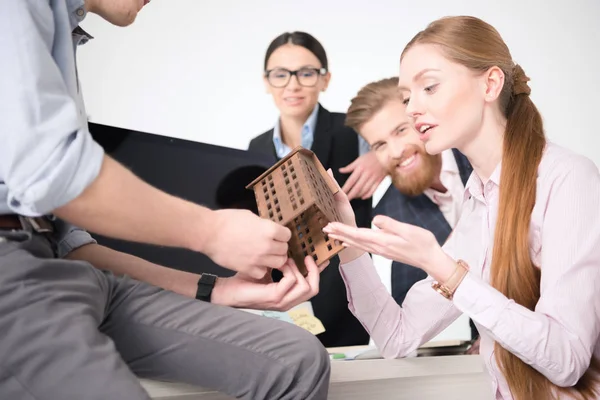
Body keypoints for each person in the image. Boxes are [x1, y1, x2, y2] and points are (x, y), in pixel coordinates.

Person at [0, 1, 330, 399]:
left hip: (72, 268)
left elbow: (72, 246)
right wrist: (212, 232)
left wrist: (218, 289)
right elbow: (54, 174)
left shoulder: (62, 33)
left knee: (297, 361)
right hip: (14, 270)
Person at [324, 15, 600, 400]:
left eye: (429, 87)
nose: (412, 109)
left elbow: (566, 359)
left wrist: (443, 269)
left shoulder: (567, 179)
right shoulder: (480, 202)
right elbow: (396, 336)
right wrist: (349, 241)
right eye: (407, 98)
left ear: (490, 83)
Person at [248, 31, 386, 347]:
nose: (293, 85)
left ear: (325, 79)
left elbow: (414, 142)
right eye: (280, 74)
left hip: (349, 298)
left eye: (306, 73)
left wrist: (382, 156)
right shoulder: (255, 148)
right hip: (285, 306)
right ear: (266, 82)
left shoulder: (355, 130)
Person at [344, 76, 479, 347]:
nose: (395, 151)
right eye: (379, 145)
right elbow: (404, 327)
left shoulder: (479, 155)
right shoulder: (394, 216)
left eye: (401, 130)